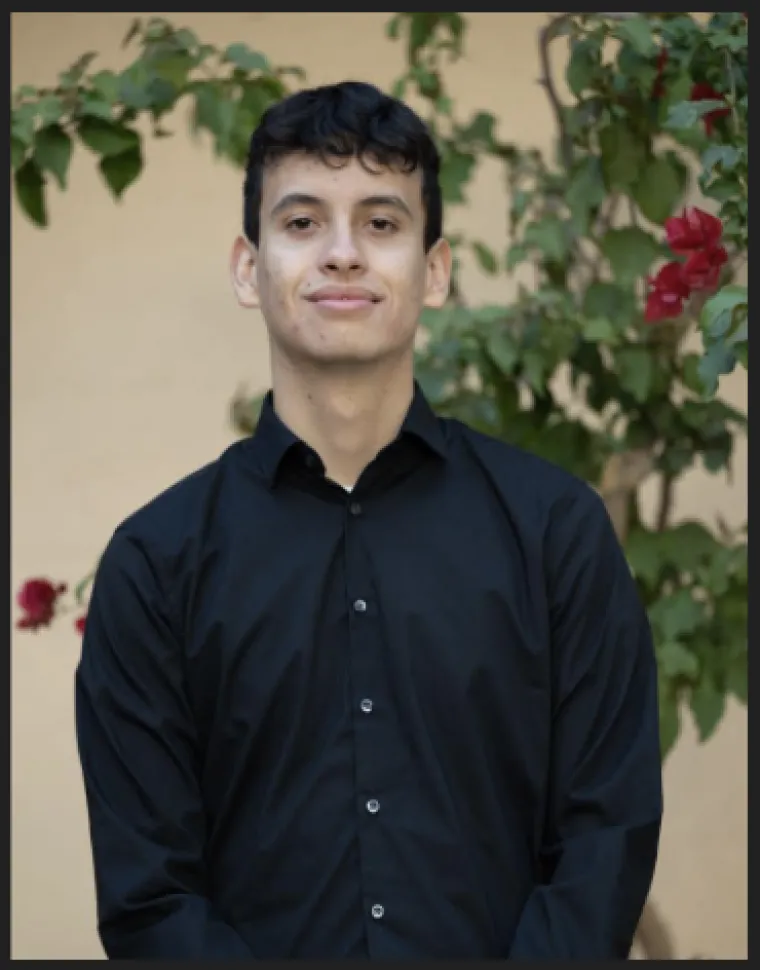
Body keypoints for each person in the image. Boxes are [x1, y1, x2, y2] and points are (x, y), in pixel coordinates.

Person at [75, 80, 662, 960]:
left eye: (382, 223)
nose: (342, 254)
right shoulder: (156, 564)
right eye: (303, 222)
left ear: (434, 269)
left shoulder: (555, 534)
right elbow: (150, 897)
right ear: (249, 265)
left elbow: (602, 842)